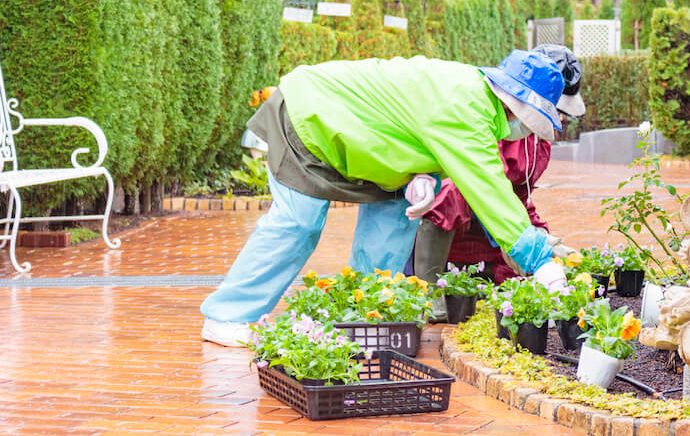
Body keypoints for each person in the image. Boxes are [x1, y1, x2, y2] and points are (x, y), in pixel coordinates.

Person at [200, 50, 570, 347]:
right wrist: (540, 260)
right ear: (517, 104)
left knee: (395, 217)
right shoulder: (466, 106)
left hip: (366, 146)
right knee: (298, 224)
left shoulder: (475, 99)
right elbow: (490, 192)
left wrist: (423, 177)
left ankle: (360, 316)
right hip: (311, 119)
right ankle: (228, 315)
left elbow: (411, 125)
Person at [413, 44, 585, 319]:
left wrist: (542, 236)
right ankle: (429, 293)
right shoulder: (495, 122)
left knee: (515, 284)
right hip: (465, 223)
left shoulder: (540, 143)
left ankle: (471, 283)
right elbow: (484, 187)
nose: (561, 119)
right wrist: (518, 238)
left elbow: (519, 195)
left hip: (494, 234)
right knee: (451, 191)